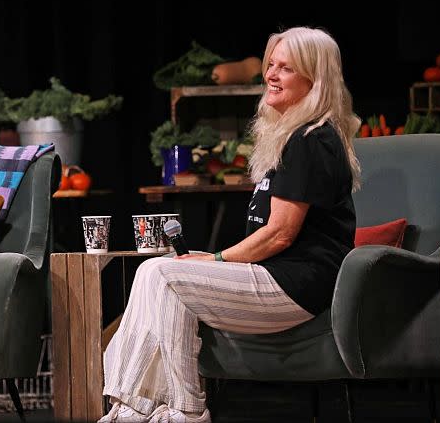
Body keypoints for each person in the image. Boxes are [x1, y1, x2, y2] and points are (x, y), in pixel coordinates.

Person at [99, 26, 362, 423]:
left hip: (297, 285)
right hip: (276, 274)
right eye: (270, 64)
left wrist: (219, 261)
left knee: (165, 277)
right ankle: (136, 408)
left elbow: (280, 233)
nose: (271, 75)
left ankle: (181, 410)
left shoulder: (311, 138)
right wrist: (211, 261)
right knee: (153, 268)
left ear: (314, 78)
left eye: (286, 68)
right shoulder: (292, 135)